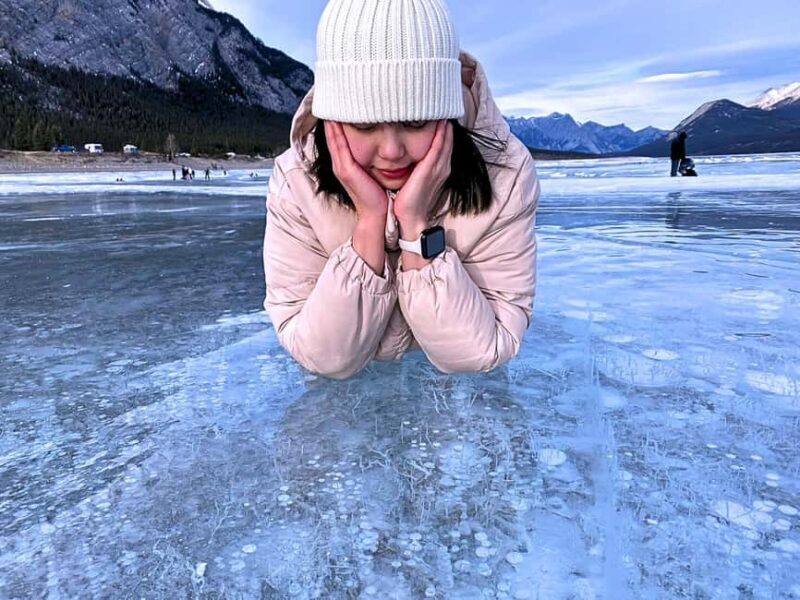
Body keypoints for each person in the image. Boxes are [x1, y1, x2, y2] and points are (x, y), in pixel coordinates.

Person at [263, 0, 539, 379]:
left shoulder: (505, 175)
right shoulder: (297, 180)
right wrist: (369, 225)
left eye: (415, 121)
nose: (392, 151)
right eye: (364, 125)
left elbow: (481, 351)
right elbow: (322, 357)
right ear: (333, 120)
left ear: (448, 114)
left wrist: (416, 227)